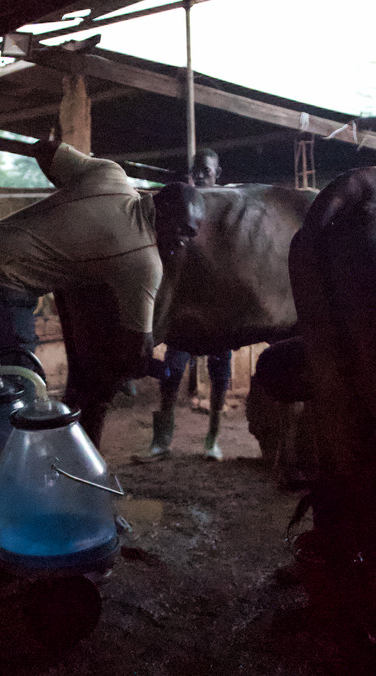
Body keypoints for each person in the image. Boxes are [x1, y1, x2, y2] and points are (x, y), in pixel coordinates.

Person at [0, 136, 198, 445]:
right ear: (165, 210)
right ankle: (3, 475)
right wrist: (145, 369)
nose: (185, 241)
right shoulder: (144, 261)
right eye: (183, 230)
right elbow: (137, 348)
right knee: (18, 389)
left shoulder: (111, 175)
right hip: (0, 283)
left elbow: (43, 148)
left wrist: (68, 195)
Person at [133, 148, 233, 463]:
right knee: (172, 371)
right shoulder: (183, 206)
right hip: (185, 306)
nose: (199, 175)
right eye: (195, 170)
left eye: (205, 169)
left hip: (218, 306)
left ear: (218, 172)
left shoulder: (228, 209)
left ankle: (213, 439)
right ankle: (162, 440)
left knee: (220, 372)